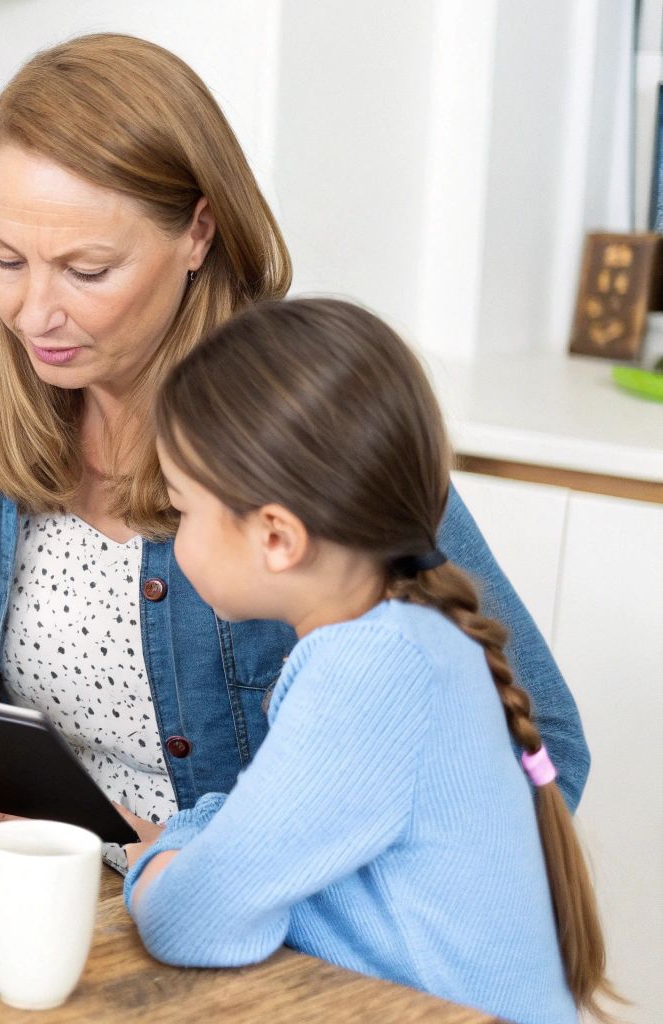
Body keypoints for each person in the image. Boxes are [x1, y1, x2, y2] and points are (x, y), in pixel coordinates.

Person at [0, 34, 587, 866]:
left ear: (198, 232)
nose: (32, 313)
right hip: (24, 905)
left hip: (250, 939)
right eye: (6, 259)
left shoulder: (302, 417)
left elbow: (543, 755)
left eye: (86, 269)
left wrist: (199, 861)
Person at [123, 297, 608, 1024]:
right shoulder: (411, 641)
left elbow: (192, 922)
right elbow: (279, 837)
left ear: (278, 539)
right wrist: (200, 845)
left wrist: (157, 865)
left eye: (182, 509)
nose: (172, 534)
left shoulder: (367, 674)